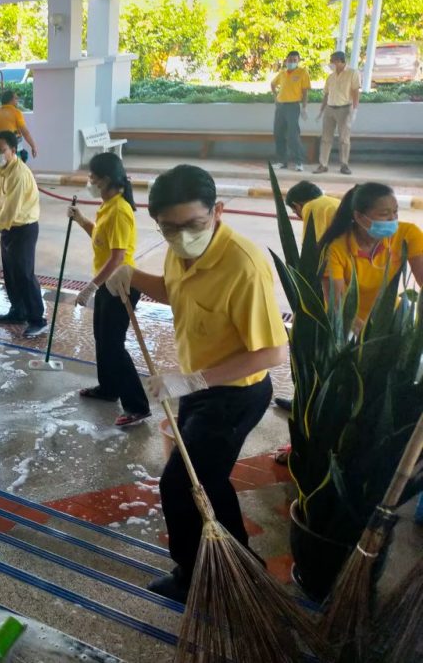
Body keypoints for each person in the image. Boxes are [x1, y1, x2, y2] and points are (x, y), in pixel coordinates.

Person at [104, 164, 288, 602]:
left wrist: (194, 380)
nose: (182, 236)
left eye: (193, 224)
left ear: (217, 211)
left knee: (183, 484)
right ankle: (242, 564)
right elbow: (177, 289)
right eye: (168, 228)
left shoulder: (243, 266)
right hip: (199, 387)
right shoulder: (180, 248)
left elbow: (272, 352)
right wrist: (132, 275)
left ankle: (193, 576)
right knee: (206, 480)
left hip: (233, 394)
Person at [67, 153, 150, 427]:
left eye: (92, 177)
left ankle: (138, 406)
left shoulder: (120, 211)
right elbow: (102, 240)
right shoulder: (107, 206)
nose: (89, 181)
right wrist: (81, 220)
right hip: (107, 283)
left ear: (104, 179)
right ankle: (108, 389)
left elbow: (117, 257)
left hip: (121, 286)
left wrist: (90, 287)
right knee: (102, 339)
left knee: (114, 345)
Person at [273, 181, 342, 419]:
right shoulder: (334, 203)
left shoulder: (313, 208)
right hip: (352, 282)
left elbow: (313, 257)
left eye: (295, 213)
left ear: (297, 205)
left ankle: (308, 402)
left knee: (312, 347)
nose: (299, 217)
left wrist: (315, 301)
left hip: (333, 291)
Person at [320, 182, 423, 327]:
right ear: (359, 217)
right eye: (384, 214)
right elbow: (337, 303)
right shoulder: (335, 250)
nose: (392, 219)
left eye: (395, 212)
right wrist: (364, 334)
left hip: (390, 317)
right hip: (345, 325)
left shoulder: (408, 234)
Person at [0, 130, 47, 338]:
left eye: (1, 150)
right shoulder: (4, 167)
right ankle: (18, 311)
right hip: (9, 227)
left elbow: (12, 207)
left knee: (24, 274)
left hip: (23, 229)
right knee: (11, 273)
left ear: (13, 150)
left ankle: (37, 320)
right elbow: (0, 192)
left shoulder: (19, 174)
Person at [315, 51, 361, 176]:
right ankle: (323, 165)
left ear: (340, 60)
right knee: (326, 138)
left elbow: (356, 92)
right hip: (330, 108)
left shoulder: (353, 73)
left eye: (333, 61)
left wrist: (355, 110)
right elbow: (326, 94)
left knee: (344, 139)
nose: (331, 64)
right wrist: (321, 111)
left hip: (345, 109)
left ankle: (344, 165)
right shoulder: (330, 76)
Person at [270, 51, 311, 172]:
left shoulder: (302, 72)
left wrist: (304, 107)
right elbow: (272, 84)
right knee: (278, 133)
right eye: (290, 60)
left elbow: (305, 92)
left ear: (298, 61)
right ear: (286, 60)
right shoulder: (282, 73)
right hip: (280, 106)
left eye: (294, 60)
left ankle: (299, 162)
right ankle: (281, 161)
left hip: (293, 106)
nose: (292, 62)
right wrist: (275, 97)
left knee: (293, 135)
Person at [0, 89, 37, 162]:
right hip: (14, 148)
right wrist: (33, 146)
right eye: (15, 98)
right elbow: (25, 132)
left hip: (2, 149)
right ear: (11, 100)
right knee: (19, 163)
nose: (17, 100)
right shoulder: (16, 113)